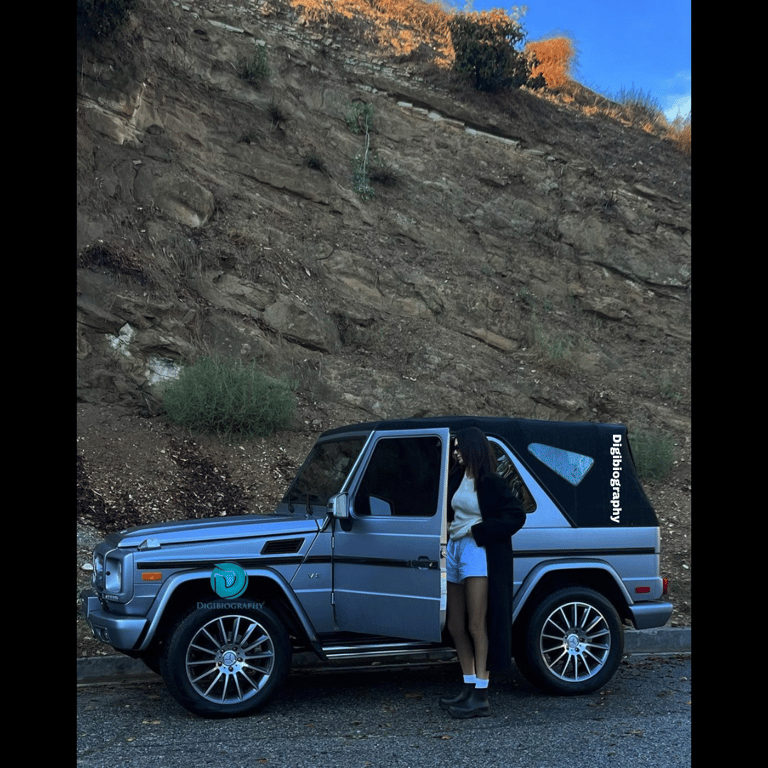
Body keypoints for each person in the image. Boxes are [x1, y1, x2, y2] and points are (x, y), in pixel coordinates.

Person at [439, 427, 526, 718]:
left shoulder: (492, 483)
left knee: (477, 624)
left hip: (478, 551)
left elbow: (516, 515)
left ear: (472, 448)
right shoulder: (455, 478)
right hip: (455, 549)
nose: (455, 452)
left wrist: (479, 532)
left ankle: (481, 694)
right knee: (455, 625)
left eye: (459, 447)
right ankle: (468, 685)